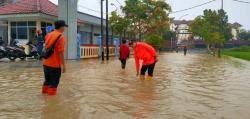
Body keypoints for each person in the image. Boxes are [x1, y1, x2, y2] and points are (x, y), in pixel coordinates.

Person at [42, 20, 67, 96]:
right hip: (55, 65)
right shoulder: (61, 37)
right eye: (64, 27)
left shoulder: (48, 35)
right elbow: (61, 53)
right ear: (61, 27)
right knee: (53, 84)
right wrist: (64, 66)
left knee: (47, 81)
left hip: (45, 63)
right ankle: (50, 102)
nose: (65, 28)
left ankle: (44, 97)